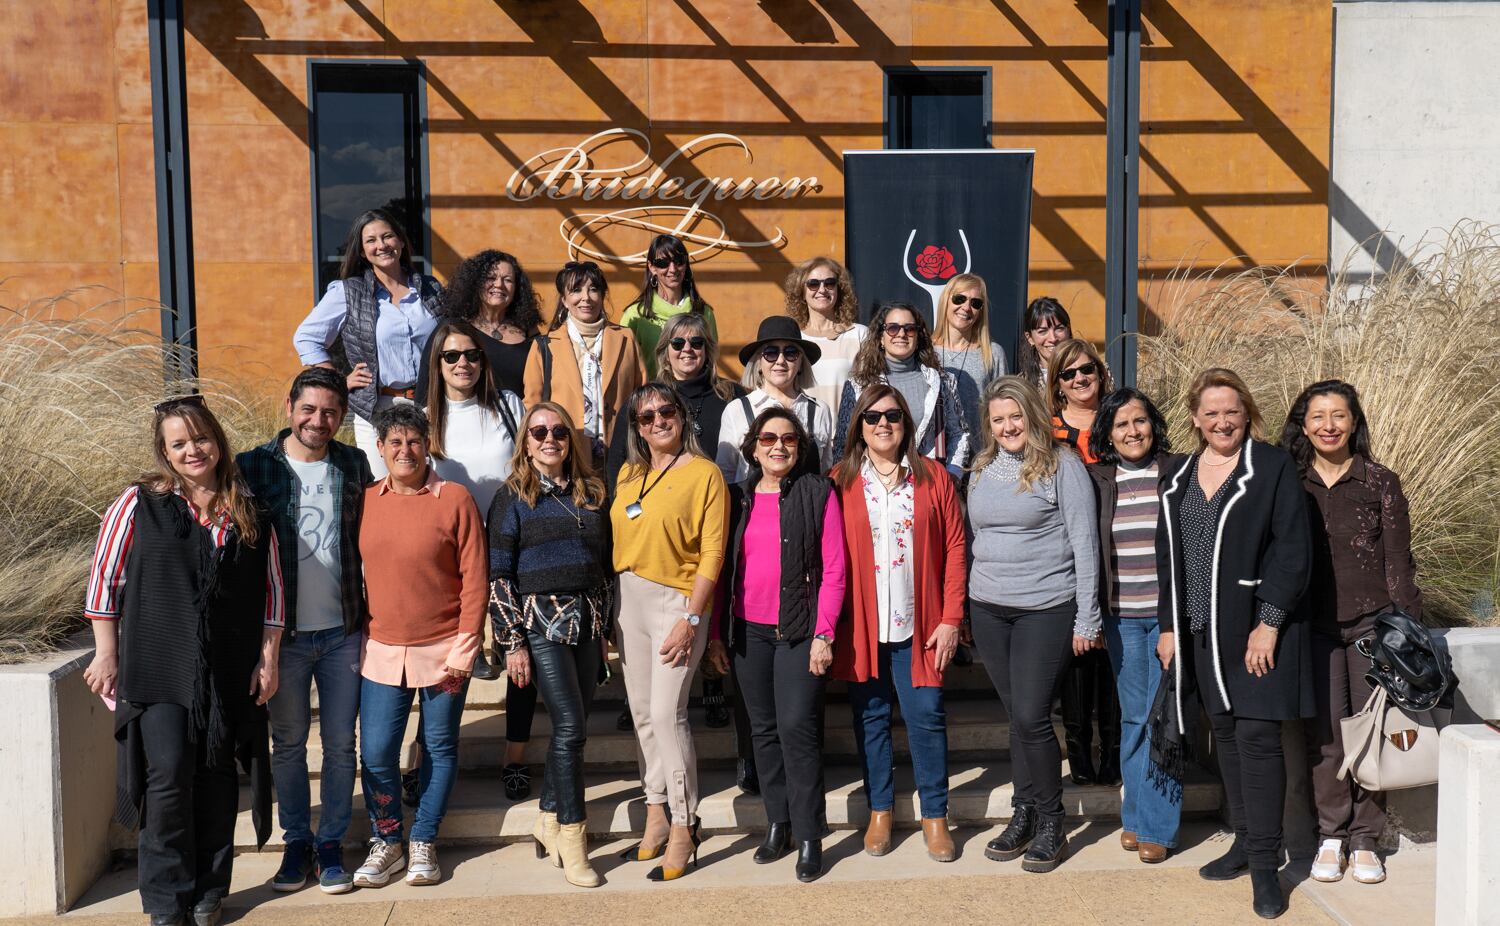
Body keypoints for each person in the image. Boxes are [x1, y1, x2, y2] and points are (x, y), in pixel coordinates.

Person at [84, 396, 283, 926]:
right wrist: (108, 653)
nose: (193, 450)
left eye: (200, 438)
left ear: (216, 440)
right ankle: (166, 901)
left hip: (228, 664)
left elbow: (271, 594)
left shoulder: (249, 508)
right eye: (179, 443)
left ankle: (209, 890)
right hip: (159, 664)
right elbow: (107, 579)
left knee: (217, 775)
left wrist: (268, 660)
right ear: (165, 453)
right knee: (169, 775)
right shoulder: (139, 504)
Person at [1157, 368, 1312, 920]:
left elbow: (1293, 550)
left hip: (1252, 635)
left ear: (1247, 413)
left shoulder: (1270, 467)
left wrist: (1269, 623)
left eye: (1232, 411)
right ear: (1196, 418)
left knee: (1257, 740)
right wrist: (1170, 626)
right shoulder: (1176, 474)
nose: (1222, 421)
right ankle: (1246, 841)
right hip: (1199, 633)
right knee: (1222, 734)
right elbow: (1167, 557)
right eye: (1211, 412)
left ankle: (1267, 870)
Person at [237, 369, 372, 895]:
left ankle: (331, 842)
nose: (319, 421)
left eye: (330, 412)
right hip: (284, 638)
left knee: (341, 744)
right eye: (309, 410)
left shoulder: (352, 464)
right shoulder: (253, 467)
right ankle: (297, 842)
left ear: (341, 416)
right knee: (289, 743)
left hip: (342, 631)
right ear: (290, 406)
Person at [1282, 380, 1421, 887]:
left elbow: (1398, 562)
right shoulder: (1290, 481)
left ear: (1354, 422)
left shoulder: (1380, 481)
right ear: (1304, 424)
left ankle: (1366, 838)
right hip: (1312, 628)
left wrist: (1406, 630)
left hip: (1371, 625)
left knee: (1372, 733)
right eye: (1318, 416)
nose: (1328, 426)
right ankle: (1331, 836)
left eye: (1338, 416)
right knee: (1327, 738)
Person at [966, 377, 1101, 873]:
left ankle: (1051, 820)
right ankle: (1023, 812)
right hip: (988, 608)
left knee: (1031, 715)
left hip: (1046, 606)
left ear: (1032, 416)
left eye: (1015, 416)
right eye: (998, 419)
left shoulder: (1062, 466)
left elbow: (1084, 543)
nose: (1007, 427)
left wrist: (1088, 615)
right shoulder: (980, 469)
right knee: (1017, 719)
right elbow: (978, 536)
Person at [353, 404, 487, 889]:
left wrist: (466, 646)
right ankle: (387, 840)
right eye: (395, 442)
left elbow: (475, 578)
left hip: (445, 647)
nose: (404, 451)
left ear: (427, 445)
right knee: (377, 751)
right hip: (382, 649)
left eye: (413, 441)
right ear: (381, 449)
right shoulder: (366, 500)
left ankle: (424, 840)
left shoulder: (455, 499)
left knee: (439, 745)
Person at [831, 385, 967, 864]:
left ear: (907, 423)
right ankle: (880, 812)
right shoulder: (840, 481)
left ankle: (935, 815)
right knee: (870, 720)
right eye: (872, 417)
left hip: (920, 625)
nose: (882, 423)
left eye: (892, 415)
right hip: (863, 628)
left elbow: (954, 549)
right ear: (859, 426)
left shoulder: (932, 478)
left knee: (926, 718)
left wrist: (952, 618)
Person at [710, 408, 846, 882]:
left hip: (800, 632)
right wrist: (715, 635)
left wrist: (824, 634)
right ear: (752, 447)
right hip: (748, 633)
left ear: (800, 446)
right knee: (762, 733)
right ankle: (778, 824)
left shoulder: (818, 493)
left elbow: (834, 570)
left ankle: (810, 834)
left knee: (797, 729)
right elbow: (722, 570)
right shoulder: (738, 497)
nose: (778, 446)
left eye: (788, 439)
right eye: (768, 438)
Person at [490, 403, 614, 889]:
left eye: (559, 431)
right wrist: (512, 641)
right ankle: (572, 836)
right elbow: (499, 574)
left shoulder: (591, 495)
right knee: (570, 729)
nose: (550, 439)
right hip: (540, 623)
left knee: (576, 723)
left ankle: (546, 813)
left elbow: (601, 568)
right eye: (539, 431)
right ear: (526, 440)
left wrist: (604, 628)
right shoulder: (511, 498)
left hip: (586, 620)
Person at [611, 383, 728, 882]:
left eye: (666, 411)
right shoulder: (629, 472)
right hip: (627, 599)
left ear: (683, 416)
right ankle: (655, 811)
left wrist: (693, 617)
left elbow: (713, 553)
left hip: (676, 602)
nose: (658, 421)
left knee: (666, 712)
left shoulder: (706, 474)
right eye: (646, 416)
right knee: (641, 713)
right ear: (637, 428)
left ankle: (685, 822)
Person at [1086, 388, 1186, 863]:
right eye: (1122, 424)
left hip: (1167, 621)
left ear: (1154, 425)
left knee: (1163, 720)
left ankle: (1158, 828)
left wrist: (1175, 623)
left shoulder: (1177, 473)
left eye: (1140, 421)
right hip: (1121, 619)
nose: (1132, 431)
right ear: (1107, 432)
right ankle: (1134, 816)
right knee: (1131, 719)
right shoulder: (1099, 480)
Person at [293, 207, 443, 479]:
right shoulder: (348, 292)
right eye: (371, 240)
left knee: (432, 482)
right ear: (362, 252)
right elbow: (307, 337)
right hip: (377, 408)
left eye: (388, 237)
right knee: (382, 485)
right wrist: (337, 380)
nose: (381, 245)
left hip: (430, 404)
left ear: (400, 241)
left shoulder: (431, 289)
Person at [1046, 339, 1120, 787]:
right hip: (1067, 554)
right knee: (1078, 653)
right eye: (1069, 373)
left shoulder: (1119, 420)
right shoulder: (1048, 431)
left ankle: (1111, 753)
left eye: (1086, 369)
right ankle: (1078, 755)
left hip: (1117, 551)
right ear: (1058, 383)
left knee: (1111, 654)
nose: (1080, 379)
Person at [524, 260, 647, 470]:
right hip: (566, 457)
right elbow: (532, 405)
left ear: (602, 295)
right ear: (564, 299)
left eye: (593, 289)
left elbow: (642, 394)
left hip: (621, 454)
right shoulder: (545, 346)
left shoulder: (625, 338)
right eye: (576, 290)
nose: (586, 298)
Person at [606, 312, 746, 491]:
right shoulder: (646, 400)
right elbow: (617, 460)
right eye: (678, 344)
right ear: (666, 351)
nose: (687, 349)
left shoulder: (732, 395)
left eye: (696, 343)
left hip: (724, 501)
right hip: (663, 505)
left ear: (706, 350)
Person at [833, 302, 970, 475]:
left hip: (930, 482)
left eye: (909, 329)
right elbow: (843, 444)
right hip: (874, 485)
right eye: (892, 328)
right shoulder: (858, 385)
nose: (901, 334)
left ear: (918, 336)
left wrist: (952, 474)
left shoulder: (942, 382)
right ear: (881, 337)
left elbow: (959, 433)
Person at [424, 318, 526, 520]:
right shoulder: (425, 419)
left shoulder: (508, 404)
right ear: (438, 364)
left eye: (471, 355)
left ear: (482, 361)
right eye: (451, 356)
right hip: (454, 537)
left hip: (508, 533)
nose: (463, 363)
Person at [716, 316, 836, 481]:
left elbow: (825, 472)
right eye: (771, 353)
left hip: (808, 505)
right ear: (759, 361)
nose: (780, 361)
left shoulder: (820, 410)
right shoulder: (737, 410)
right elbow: (725, 474)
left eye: (790, 353)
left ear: (801, 362)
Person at [416, 249, 541, 400]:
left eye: (508, 280)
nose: (499, 284)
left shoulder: (529, 332)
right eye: (491, 278)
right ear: (475, 283)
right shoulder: (454, 328)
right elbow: (427, 382)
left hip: (517, 419)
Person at [619, 234, 718, 375]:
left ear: (686, 264)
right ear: (652, 267)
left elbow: (711, 360)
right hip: (652, 395)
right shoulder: (635, 314)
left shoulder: (703, 311)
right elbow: (624, 365)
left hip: (695, 394)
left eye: (678, 261)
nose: (672, 269)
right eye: (663, 263)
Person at [784, 256, 866, 410]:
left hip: (848, 432)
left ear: (838, 289)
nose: (822, 290)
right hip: (802, 431)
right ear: (801, 291)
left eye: (829, 283)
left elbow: (872, 389)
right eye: (813, 284)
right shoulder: (793, 339)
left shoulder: (859, 335)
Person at [932, 272, 1008, 431]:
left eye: (975, 303)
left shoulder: (993, 353)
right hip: (929, 453)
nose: (966, 308)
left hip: (979, 453)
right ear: (946, 300)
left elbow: (1004, 409)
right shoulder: (925, 351)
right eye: (959, 299)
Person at [1018, 296, 1072, 389]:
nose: (1053, 338)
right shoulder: (1022, 385)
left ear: (1068, 331)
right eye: (1043, 331)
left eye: (1059, 329)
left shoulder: (1090, 372)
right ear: (1030, 338)